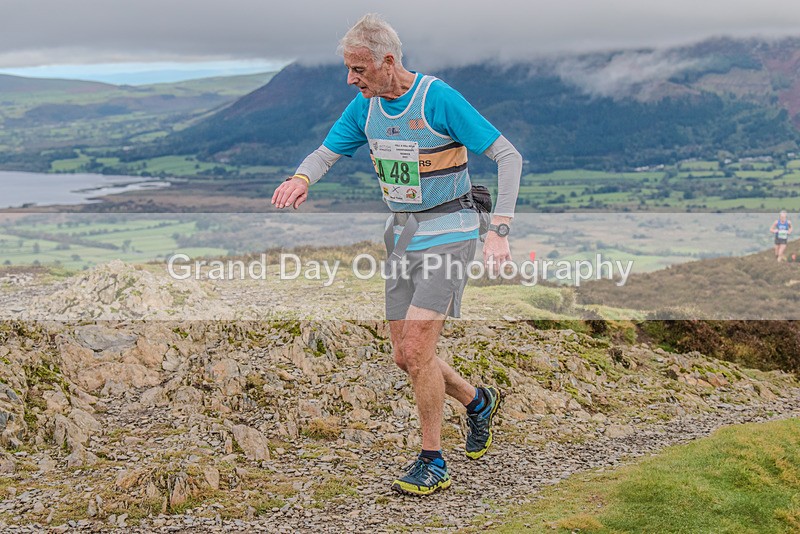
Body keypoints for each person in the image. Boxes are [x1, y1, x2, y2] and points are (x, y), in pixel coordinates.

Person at [271, 13, 522, 495]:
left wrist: (501, 230)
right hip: (403, 236)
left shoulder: (437, 98)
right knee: (404, 356)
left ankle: (433, 460)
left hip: (451, 230)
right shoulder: (364, 108)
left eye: (358, 69)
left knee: (417, 349)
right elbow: (325, 154)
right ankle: (477, 401)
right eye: (348, 69)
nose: (351, 79)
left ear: (388, 61)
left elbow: (508, 155)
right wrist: (300, 179)